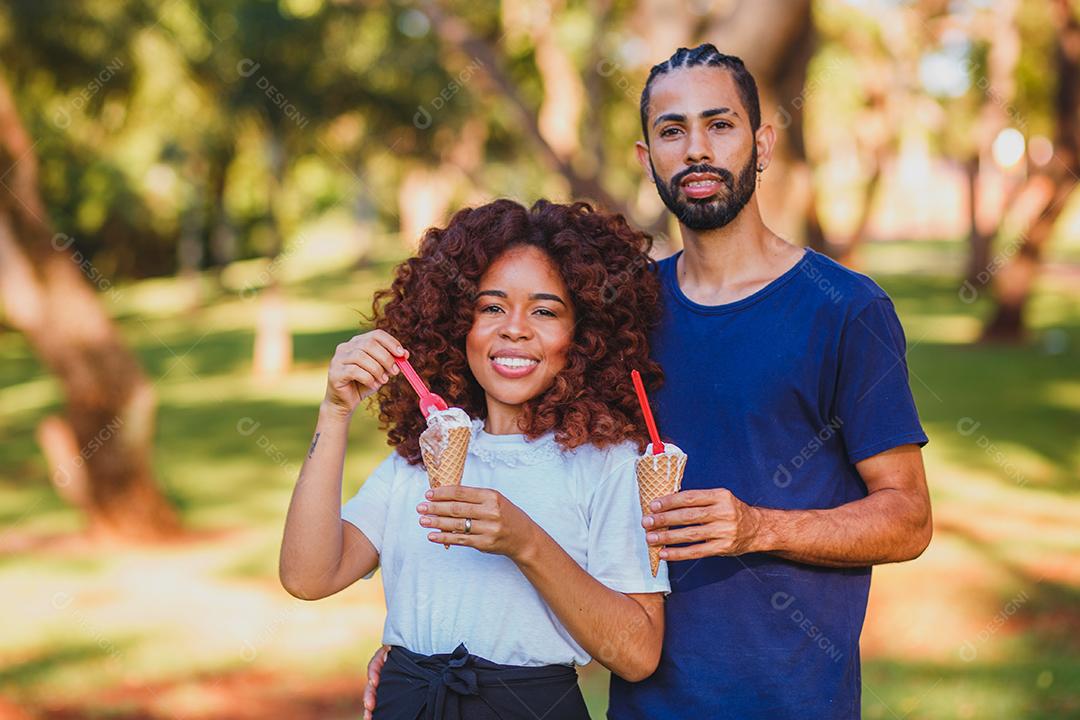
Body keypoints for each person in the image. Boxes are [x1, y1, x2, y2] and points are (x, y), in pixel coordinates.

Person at [366, 44, 933, 720]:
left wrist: (758, 527)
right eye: (672, 131)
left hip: (791, 699)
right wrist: (426, 649)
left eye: (720, 125)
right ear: (648, 159)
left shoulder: (844, 309)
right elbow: (530, 465)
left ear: (763, 144)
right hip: (642, 701)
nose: (697, 148)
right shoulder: (615, 313)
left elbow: (909, 518)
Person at [279, 198, 671, 719]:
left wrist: (524, 542)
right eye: (491, 307)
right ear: (456, 323)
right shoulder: (420, 459)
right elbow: (308, 577)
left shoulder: (609, 463)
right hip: (411, 701)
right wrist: (333, 412)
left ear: (583, 335)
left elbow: (638, 653)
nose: (514, 328)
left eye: (545, 310)